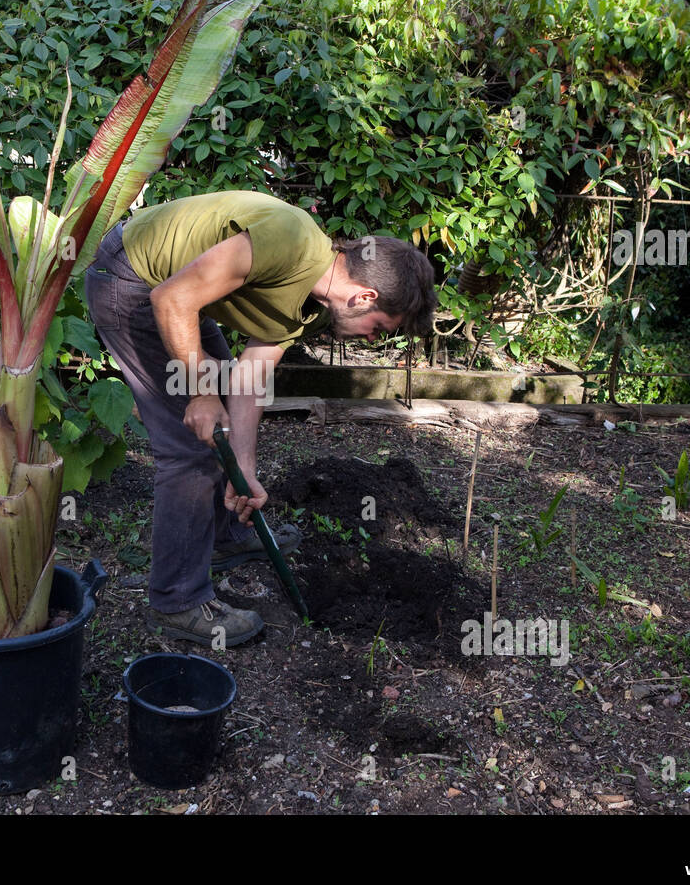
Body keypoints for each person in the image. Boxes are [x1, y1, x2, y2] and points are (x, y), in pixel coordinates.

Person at [84, 190, 436, 645]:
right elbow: (173, 300)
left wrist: (245, 470)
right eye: (380, 327)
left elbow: (249, 380)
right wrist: (201, 392)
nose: (373, 339)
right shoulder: (286, 242)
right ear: (364, 296)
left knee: (222, 436)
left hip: (173, 291)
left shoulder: (313, 306)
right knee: (192, 447)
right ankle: (177, 603)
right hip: (133, 281)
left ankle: (225, 536)